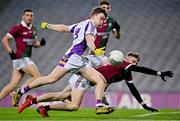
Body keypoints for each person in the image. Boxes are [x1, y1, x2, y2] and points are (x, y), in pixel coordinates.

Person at [13, 7, 114, 114]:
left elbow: (64, 28)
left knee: (51, 79)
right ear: (93, 16)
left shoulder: (81, 24)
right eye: (101, 19)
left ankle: (22, 91)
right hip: (75, 58)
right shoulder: (91, 26)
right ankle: (99, 106)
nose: (102, 22)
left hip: (74, 58)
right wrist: (95, 50)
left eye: (104, 20)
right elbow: (89, 40)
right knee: (100, 81)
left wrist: (47, 25)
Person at [18, 52, 173, 117]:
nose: (130, 63)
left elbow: (133, 88)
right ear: (124, 59)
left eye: (133, 62)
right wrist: (160, 73)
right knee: (73, 105)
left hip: (86, 76)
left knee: (62, 95)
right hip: (86, 77)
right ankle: (37, 103)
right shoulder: (121, 64)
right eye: (129, 61)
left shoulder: (126, 70)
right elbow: (142, 69)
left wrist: (143, 104)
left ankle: (35, 102)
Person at [0, 9, 46, 106]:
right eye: (27, 15)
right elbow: (4, 39)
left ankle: (15, 95)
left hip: (23, 59)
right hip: (21, 58)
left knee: (13, 84)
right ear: (23, 16)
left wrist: (40, 44)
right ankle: (18, 92)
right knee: (37, 76)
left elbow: (34, 44)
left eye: (31, 15)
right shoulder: (18, 28)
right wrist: (10, 51)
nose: (29, 17)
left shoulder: (33, 29)